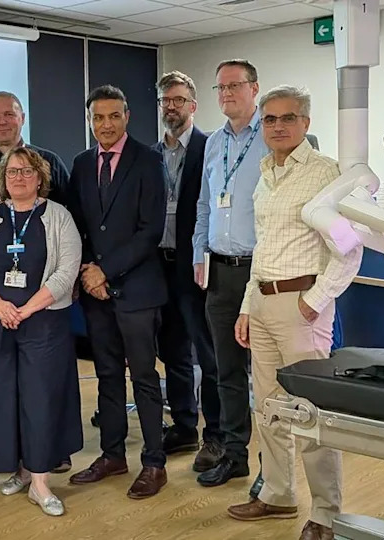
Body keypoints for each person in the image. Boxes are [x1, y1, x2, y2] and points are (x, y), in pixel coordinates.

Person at [226, 86, 361, 540]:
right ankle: (278, 495)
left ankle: (327, 512)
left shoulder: (327, 173)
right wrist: (249, 305)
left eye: (288, 118)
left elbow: (349, 248)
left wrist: (315, 301)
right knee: (267, 408)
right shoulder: (267, 172)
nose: (278, 126)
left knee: (311, 411)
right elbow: (262, 247)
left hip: (301, 305)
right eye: (270, 120)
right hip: (263, 299)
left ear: (306, 123)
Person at [0, 146, 83, 516]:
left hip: (44, 321)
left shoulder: (58, 216)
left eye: (27, 171)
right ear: (2, 178)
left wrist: (28, 308)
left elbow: (67, 270)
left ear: (40, 178)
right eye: (13, 171)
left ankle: (40, 480)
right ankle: (15, 468)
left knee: (40, 397)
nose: (19, 177)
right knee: (2, 397)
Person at [67, 85, 168, 499]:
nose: (105, 125)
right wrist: (90, 271)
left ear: (127, 115)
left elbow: (151, 231)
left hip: (138, 289)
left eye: (113, 116)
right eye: (97, 118)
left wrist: (104, 271)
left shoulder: (149, 161)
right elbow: (78, 225)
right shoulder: (81, 162)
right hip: (96, 292)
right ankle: (112, 454)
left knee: (143, 376)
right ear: (90, 121)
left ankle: (154, 462)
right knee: (107, 375)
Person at [192, 59, 269, 491]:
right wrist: (197, 253)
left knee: (267, 375)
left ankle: (271, 466)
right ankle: (235, 455)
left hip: (261, 274)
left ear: (254, 88)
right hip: (219, 272)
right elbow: (205, 204)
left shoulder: (273, 137)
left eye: (234, 86)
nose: (226, 95)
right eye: (220, 88)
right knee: (226, 372)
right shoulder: (213, 142)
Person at [152, 71, 222, 472]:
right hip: (158, 264)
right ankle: (183, 425)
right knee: (172, 350)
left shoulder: (210, 148)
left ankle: (215, 434)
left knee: (206, 352)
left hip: (196, 263)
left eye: (178, 100)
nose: (172, 107)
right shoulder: (150, 153)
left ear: (193, 105)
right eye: (166, 101)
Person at [0, 91, 71, 208]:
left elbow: (70, 207)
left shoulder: (49, 161)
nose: (2, 122)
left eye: (9, 114)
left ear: (22, 118)